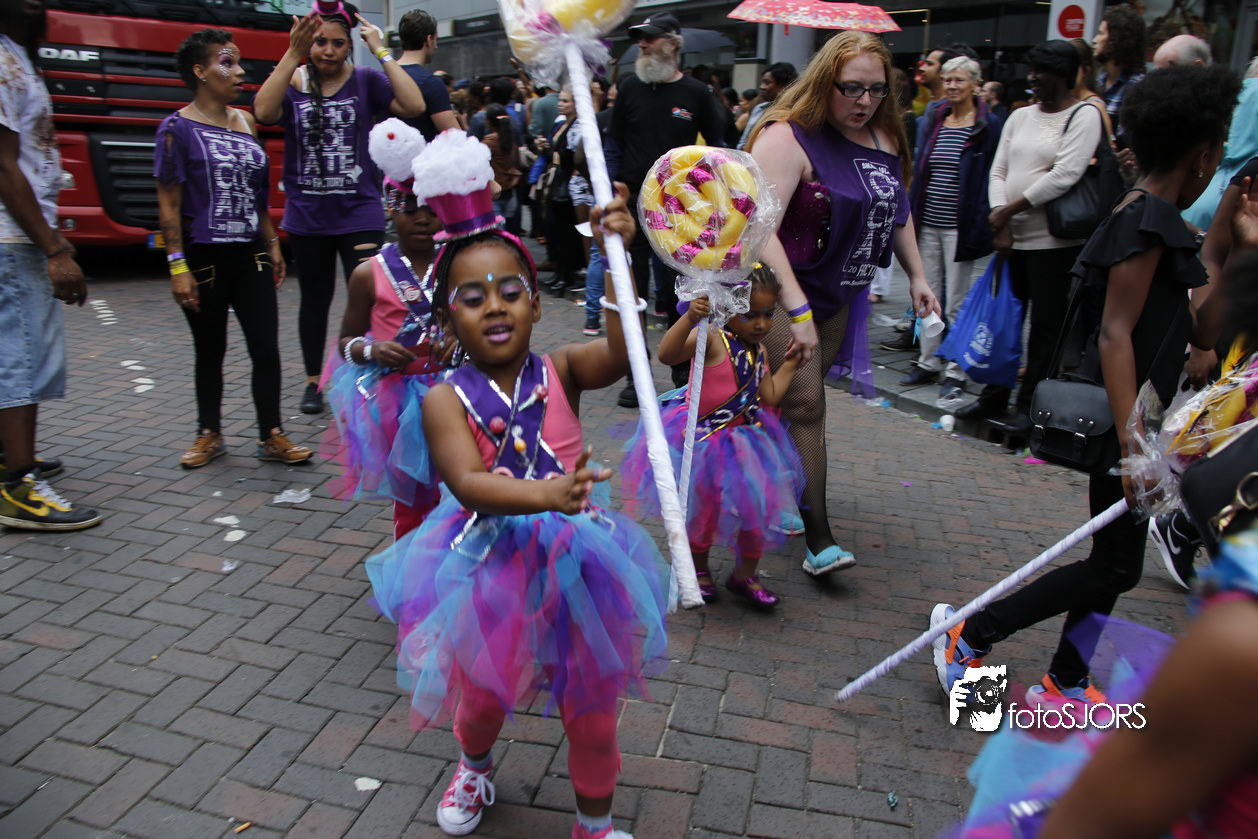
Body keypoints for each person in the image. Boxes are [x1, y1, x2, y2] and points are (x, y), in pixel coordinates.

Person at [365, 153, 662, 839]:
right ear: (448, 320)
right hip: (489, 568)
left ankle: (595, 824)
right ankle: (474, 763)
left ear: (535, 301)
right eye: (472, 297)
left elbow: (623, 353)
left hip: (580, 561)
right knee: (483, 697)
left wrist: (617, 256)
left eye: (509, 290)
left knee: (592, 708)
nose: (494, 305)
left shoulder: (562, 368)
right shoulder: (443, 398)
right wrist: (549, 490)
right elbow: (468, 484)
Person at [932, 64, 1240, 711]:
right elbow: (1113, 334)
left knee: (1115, 561)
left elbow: (1204, 328)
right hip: (1122, 421)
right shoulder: (1142, 220)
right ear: (1203, 155)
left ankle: (1066, 678)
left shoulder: (1162, 221)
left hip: (1138, 421)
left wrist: (1231, 244)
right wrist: (1133, 447)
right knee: (1115, 564)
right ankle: (971, 634)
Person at [747, 31, 940, 574]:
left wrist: (918, 276)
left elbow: (896, 210)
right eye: (851, 88)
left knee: (786, 403)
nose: (864, 101)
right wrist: (797, 310)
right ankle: (820, 540)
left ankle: (773, 487)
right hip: (775, 292)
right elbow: (760, 229)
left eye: (877, 90)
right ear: (824, 81)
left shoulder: (885, 137)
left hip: (840, 293)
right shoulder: (786, 136)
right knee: (807, 402)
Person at [253, 5, 425, 415]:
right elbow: (263, 112)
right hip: (308, 215)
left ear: (349, 47)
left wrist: (380, 50)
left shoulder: (365, 79)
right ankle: (314, 381)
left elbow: (414, 104)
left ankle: (368, 375)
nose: (328, 51)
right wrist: (291, 54)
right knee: (314, 300)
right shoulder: (294, 80)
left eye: (337, 43)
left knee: (372, 295)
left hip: (359, 213)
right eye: (319, 42)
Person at [155, 28, 313, 471]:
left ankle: (271, 434)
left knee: (266, 346)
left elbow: (257, 193)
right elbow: (168, 206)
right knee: (210, 348)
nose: (240, 71)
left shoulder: (246, 121)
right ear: (200, 71)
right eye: (227, 62)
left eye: (238, 62)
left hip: (251, 254)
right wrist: (177, 267)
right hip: (203, 258)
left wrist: (272, 242)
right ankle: (209, 433)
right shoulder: (175, 129)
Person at [622, 265, 804, 607]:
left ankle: (745, 575)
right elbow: (667, 354)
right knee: (702, 511)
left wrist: (791, 364)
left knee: (756, 511)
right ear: (729, 306)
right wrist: (690, 318)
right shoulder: (712, 338)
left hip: (748, 444)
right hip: (706, 443)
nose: (761, 324)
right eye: (750, 315)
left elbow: (769, 396)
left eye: (768, 314)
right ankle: (700, 570)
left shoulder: (760, 352)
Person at [954, 41, 1104, 434]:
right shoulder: (1020, 116)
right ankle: (994, 395)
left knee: (1044, 329)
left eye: (1042, 72)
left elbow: (1065, 175)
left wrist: (1008, 211)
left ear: (1064, 75)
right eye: (1032, 70)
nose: (1033, 78)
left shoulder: (1084, 115)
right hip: (1010, 240)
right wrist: (999, 218)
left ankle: (1029, 407)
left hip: (1053, 244)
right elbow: (998, 170)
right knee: (1003, 322)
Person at [322, 119, 453, 540]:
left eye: (431, 209)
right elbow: (345, 342)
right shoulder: (368, 274)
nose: (422, 219)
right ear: (391, 208)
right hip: (399, 402)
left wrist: (461, 344)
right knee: (413, 497)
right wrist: (372, 350)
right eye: (409, 209)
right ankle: (412, 563)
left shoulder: (459, 264)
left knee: (464, 485)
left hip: (458, 390)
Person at [0, 0, 101, 530]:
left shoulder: (18, 55)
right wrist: (54, 249)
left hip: (21, 234)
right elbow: (3, 165)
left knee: (19, 354)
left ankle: (11, 459)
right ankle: (17, 487)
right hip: (11, 238)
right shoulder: (1, 59)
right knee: (21, 359)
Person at [610, 10, 726, 403]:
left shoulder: (696, 93)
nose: (641, 44)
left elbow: (719, 150)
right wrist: (608, 187)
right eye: (639, 39)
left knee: (681, 292)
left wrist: (716, 199)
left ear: (673, 44)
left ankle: (682, 371)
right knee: (632, 292)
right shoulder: (629, 88)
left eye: (650, 37)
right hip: (631, 210)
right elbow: (614, 143)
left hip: (679, 214)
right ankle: (635, 374)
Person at [900, 56, 1003, 409]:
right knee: (927, 295)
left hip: (961, 224)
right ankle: (929, 361)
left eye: (959, 79)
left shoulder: (988, 124)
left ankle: (956, 369)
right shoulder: (935, 117)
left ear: (975, 83)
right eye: (948, 79)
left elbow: (989, 174)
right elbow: (922, 166)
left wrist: (984, 219)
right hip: (929, 219)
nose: (952, 85)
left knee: (957, 301)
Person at [396, 8, 459, 141]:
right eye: (436, 40)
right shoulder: (431, 83)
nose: (436, 46)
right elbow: (456, 138)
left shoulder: (382, 77)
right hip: (423, 154)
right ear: (429, 40)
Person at [1093, 5, 1146, 122]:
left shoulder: (1138, 88)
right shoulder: (1098, 83)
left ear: (1116, 39)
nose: (1094, 40)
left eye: (1101, 33)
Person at [736, 62, 797, 150]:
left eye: (767, 82)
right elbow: (742, 143)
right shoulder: (759, 109)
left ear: (783, 85)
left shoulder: (795, 112)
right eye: (762, 82)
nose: (762, 87)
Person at [1070, 38, 1115, 143]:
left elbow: (1108, 147)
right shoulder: (1064, 102)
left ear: (1086, 70)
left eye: (1072, 67)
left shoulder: (1095, 106)